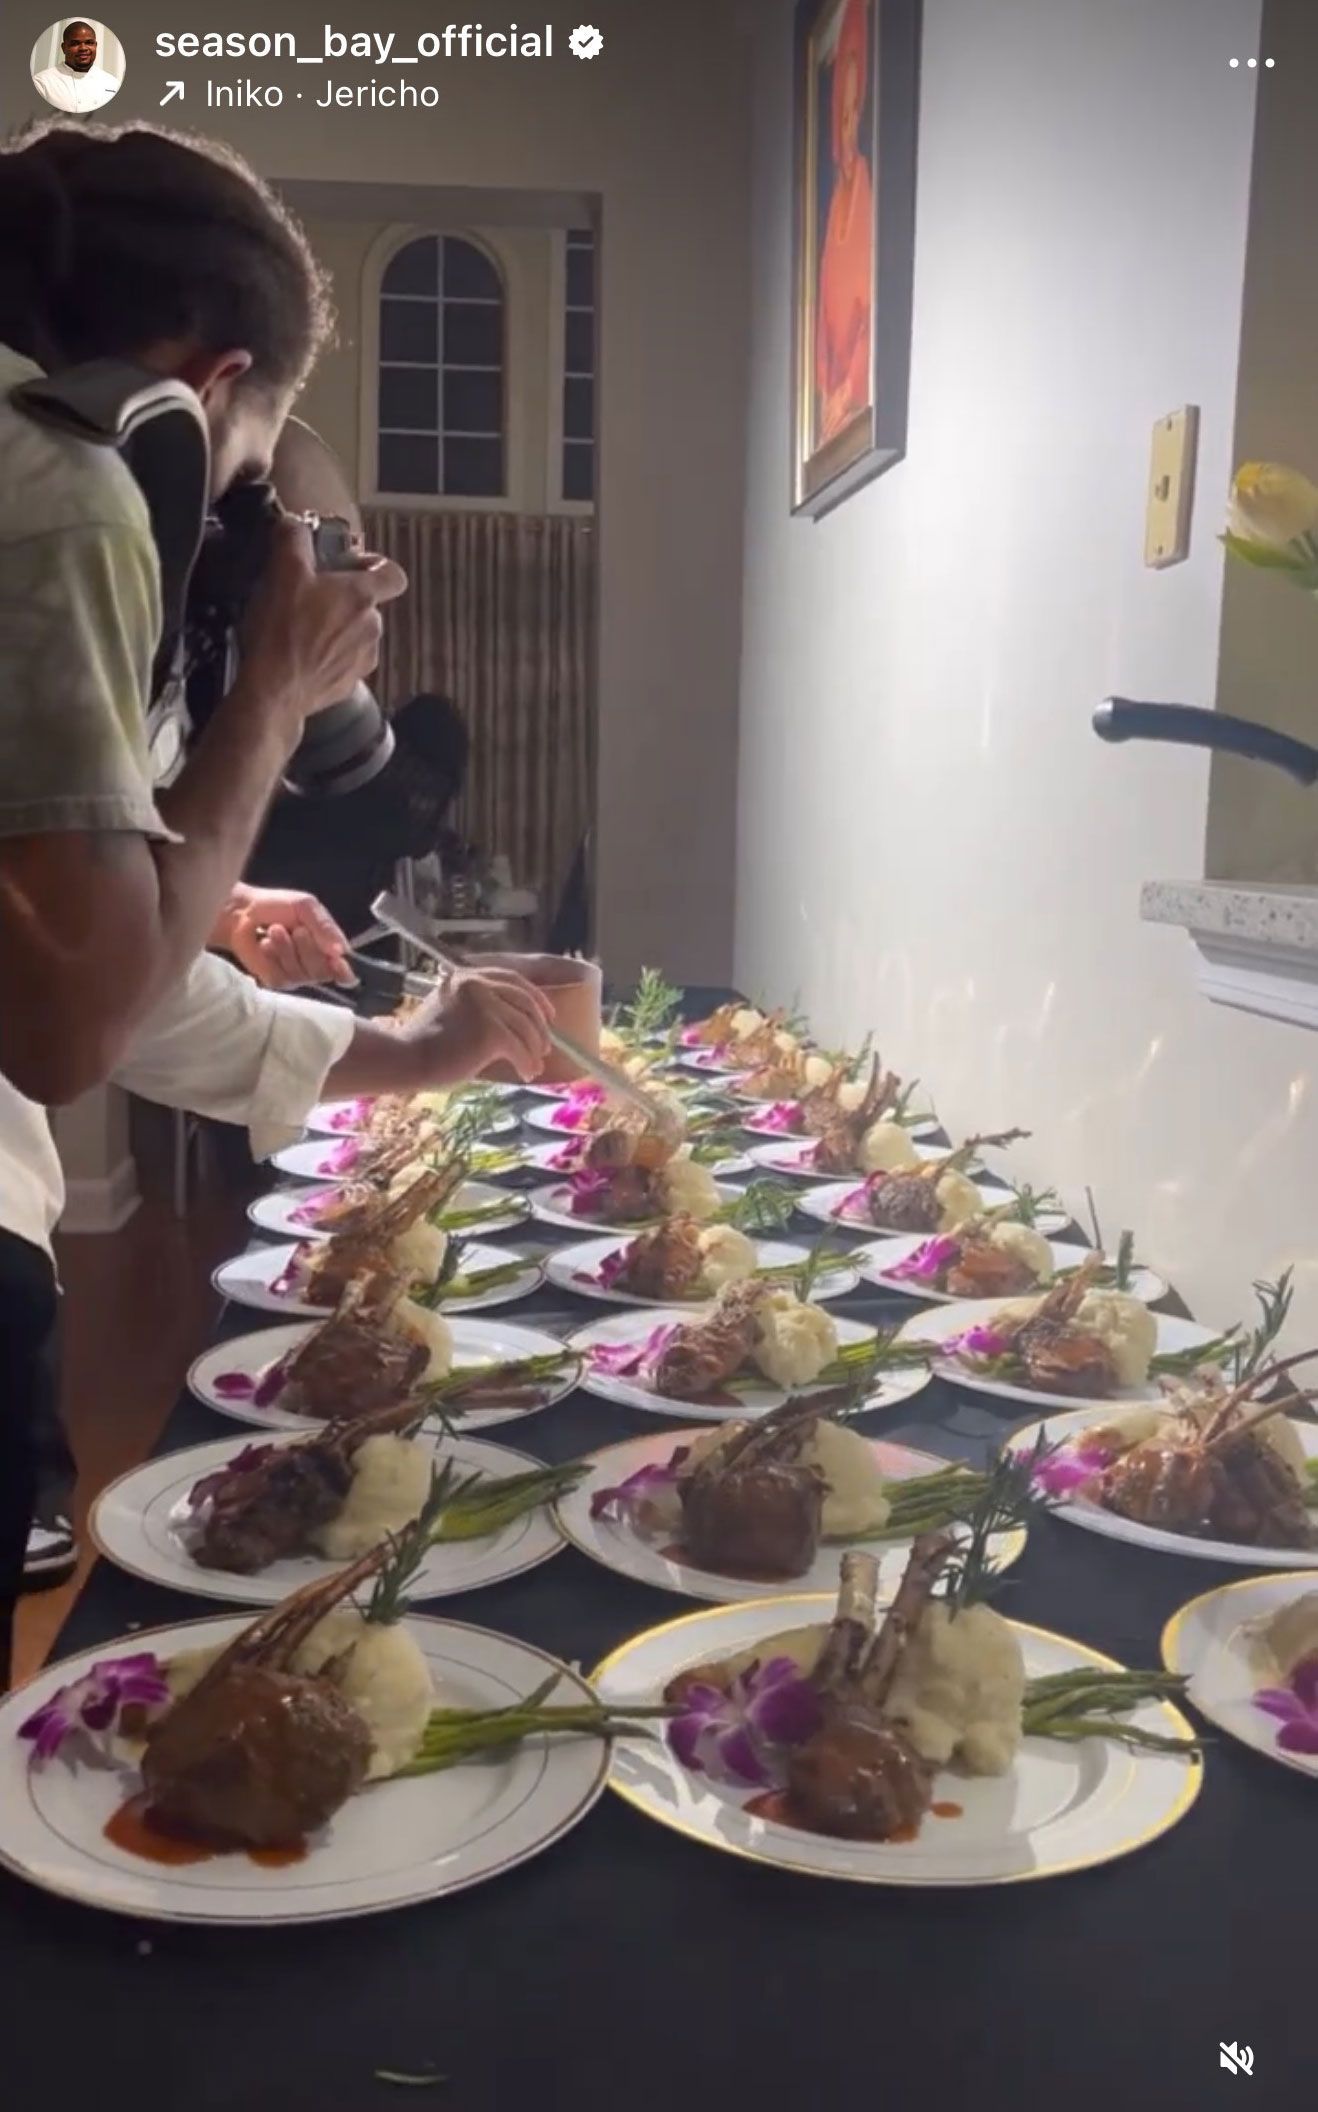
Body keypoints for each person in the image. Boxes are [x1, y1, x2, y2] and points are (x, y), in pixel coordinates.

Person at [0, 120, 554, 1682]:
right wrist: (265, 702)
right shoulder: (62, 484)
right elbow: (72, 1024)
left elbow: (83, 960)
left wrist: (210, 893)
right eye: (242, 481)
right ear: (198, 391)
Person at [814, 0, 874, 447]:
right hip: (831, 398)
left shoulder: (866, 193)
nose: (849, 124)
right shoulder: (835, 200)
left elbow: (872, 315)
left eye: (856, 109)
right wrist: (825, 393)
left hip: (849, 394)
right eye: (843, 112)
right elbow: (818, 317)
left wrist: (849, 389)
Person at [32, 21, 122, 114]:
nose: (83, 48)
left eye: (89, 42)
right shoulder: (42, 83)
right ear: (64, 48)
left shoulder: (112, 83)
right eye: (75, 43)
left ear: (96, 46)